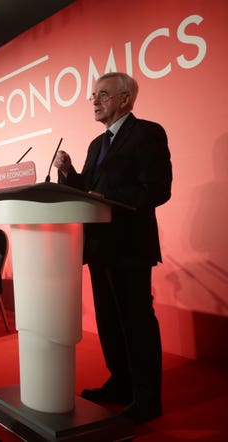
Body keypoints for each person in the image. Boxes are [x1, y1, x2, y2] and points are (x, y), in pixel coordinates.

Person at [53, 72, 172, 424]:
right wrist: (69, 171)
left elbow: (158, 189)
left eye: (102, 95)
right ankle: (121, 383)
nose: (94, 100)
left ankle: (148, 399)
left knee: (136, 322)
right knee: (108, 322)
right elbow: (87, 189)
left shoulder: (148, 133)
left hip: (131, 246)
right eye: (93, 95)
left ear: (125, 99)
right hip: (99, 246)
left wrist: (111, 198)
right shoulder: (95, 144)